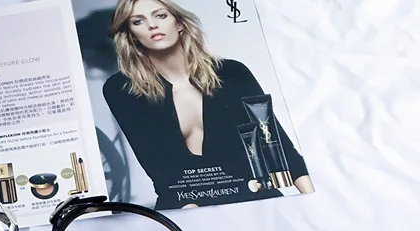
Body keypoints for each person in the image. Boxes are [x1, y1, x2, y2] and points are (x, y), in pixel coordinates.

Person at [102, 0, 314, 209]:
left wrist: (312, 200)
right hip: (184, 207)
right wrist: (192, 217)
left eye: (160, 15)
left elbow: (278, 144)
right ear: (132, 35)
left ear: (179, 23)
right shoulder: (122, 89)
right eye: (138, 21)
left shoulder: (232, 73)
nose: (152, 25)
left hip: (254, 200)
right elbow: (159, 170)